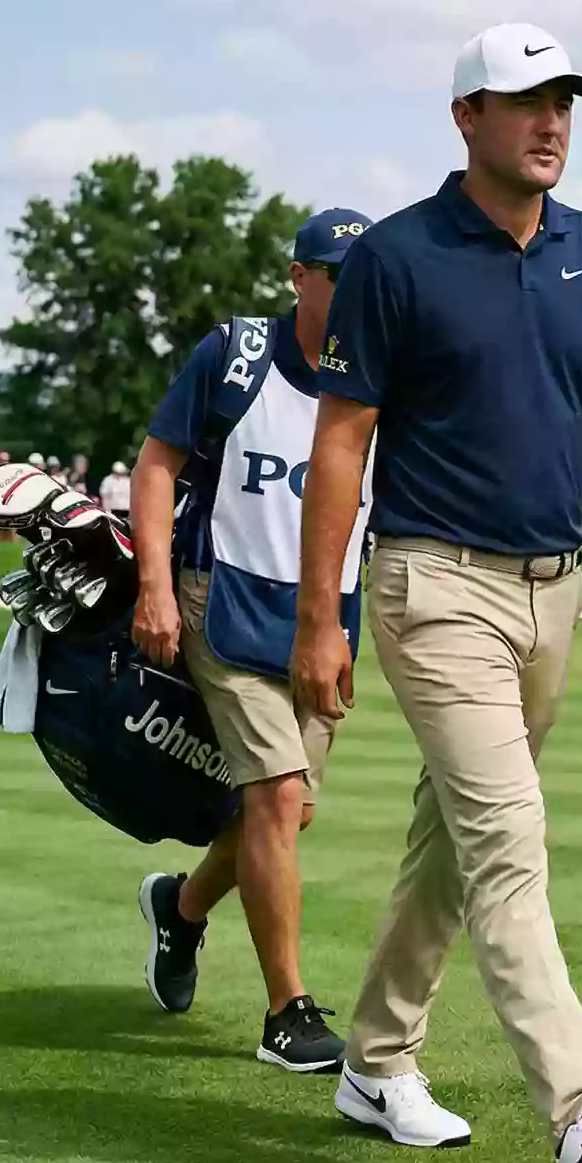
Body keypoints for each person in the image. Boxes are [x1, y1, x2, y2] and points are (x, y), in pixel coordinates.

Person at [290, 22, 582, 1163]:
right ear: (465, 119)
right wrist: (319, 619)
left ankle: (374, 1061)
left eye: (565, 103)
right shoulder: (395, 257)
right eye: (526, 101)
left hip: (556, 591)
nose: (551, 123)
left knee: (452, 834)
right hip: (432, 584)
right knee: (506, 840)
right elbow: (343, 444)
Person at [129, 207, 377, 1077]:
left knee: (289, 810)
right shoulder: (235, 356)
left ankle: (183, 910)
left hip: (323, 620)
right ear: (299, 279)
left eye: (364, 280)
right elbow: (156, 465)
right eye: (336, 277)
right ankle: (287, 1014)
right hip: (219, 597)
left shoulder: (391, 376)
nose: (351, 295)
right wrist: (156, 587)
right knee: (274, 798)